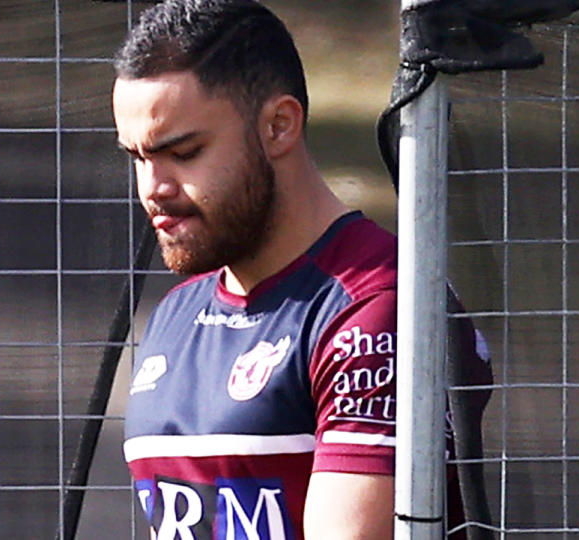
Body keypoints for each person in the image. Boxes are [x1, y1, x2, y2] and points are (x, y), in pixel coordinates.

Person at [113, 1, 489, 538]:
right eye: (137, 157)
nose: (153, 188)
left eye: (184, 152)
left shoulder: (378, 307)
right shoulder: (178, 311)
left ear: (279, 126)